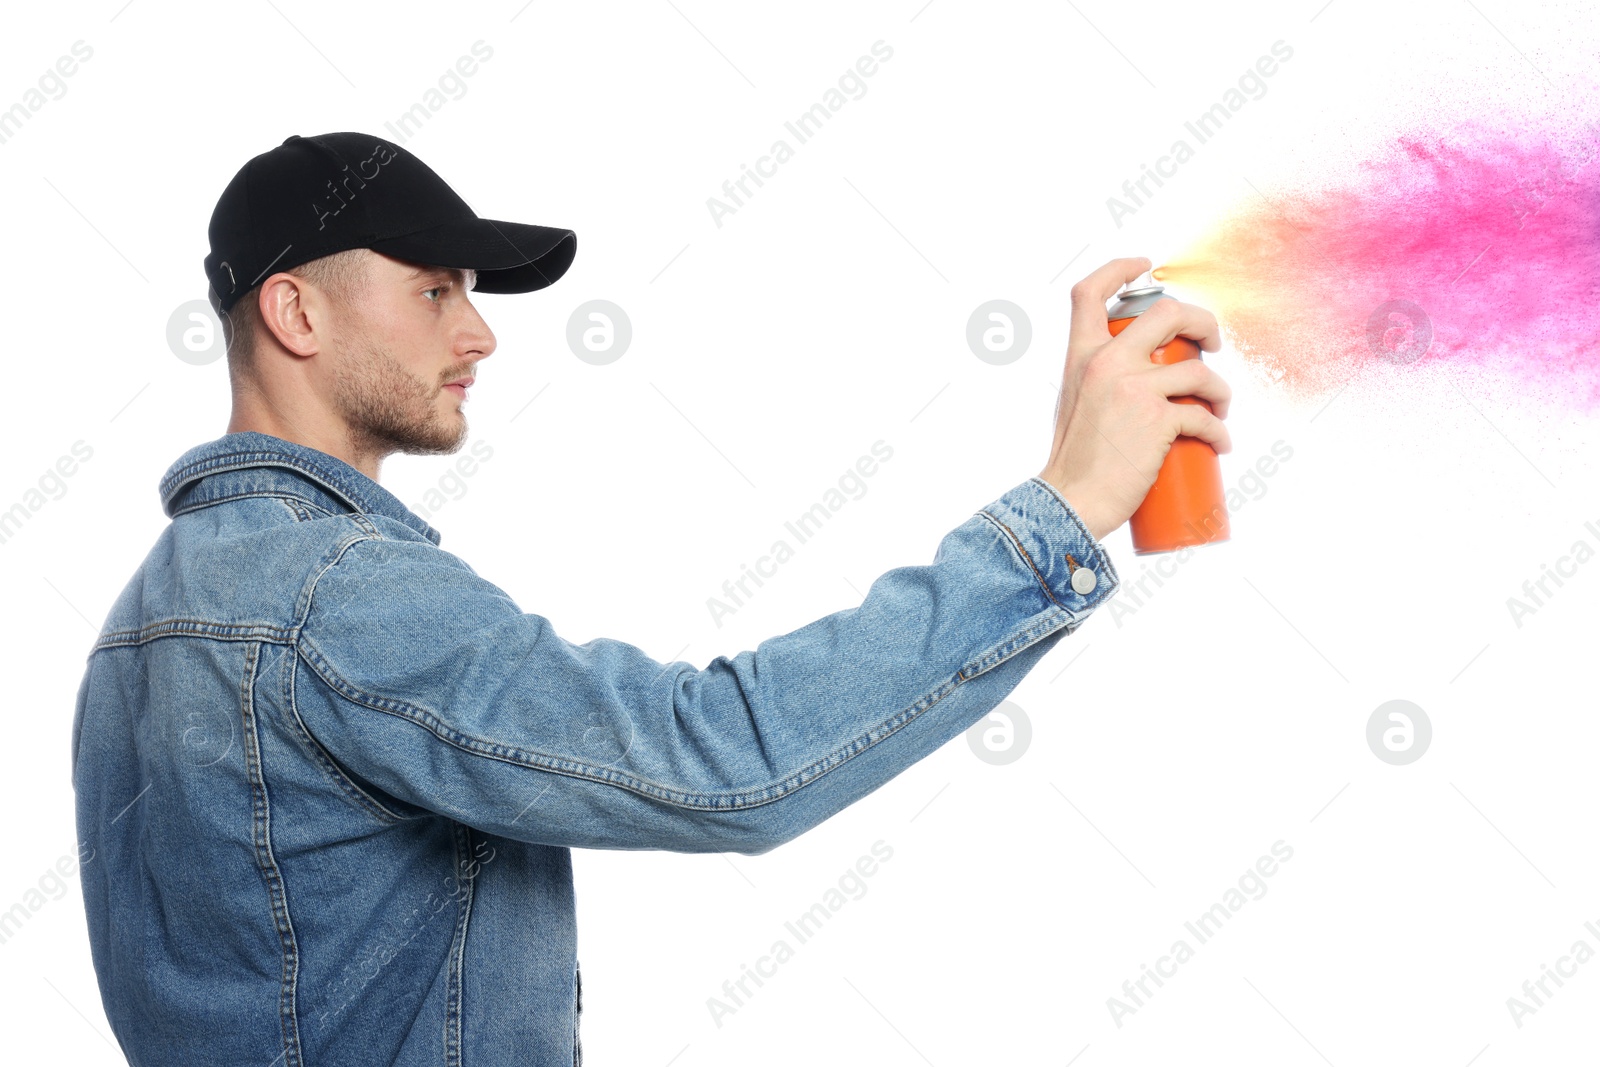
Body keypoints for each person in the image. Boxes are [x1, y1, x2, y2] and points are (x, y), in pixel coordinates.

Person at [70, 131, 1231, 1067]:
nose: (479, 332)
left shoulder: (135, 625)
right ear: (296, 313)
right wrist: (1067, 505)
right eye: (433, 291)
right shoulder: (335, 592)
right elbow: (723, 760)